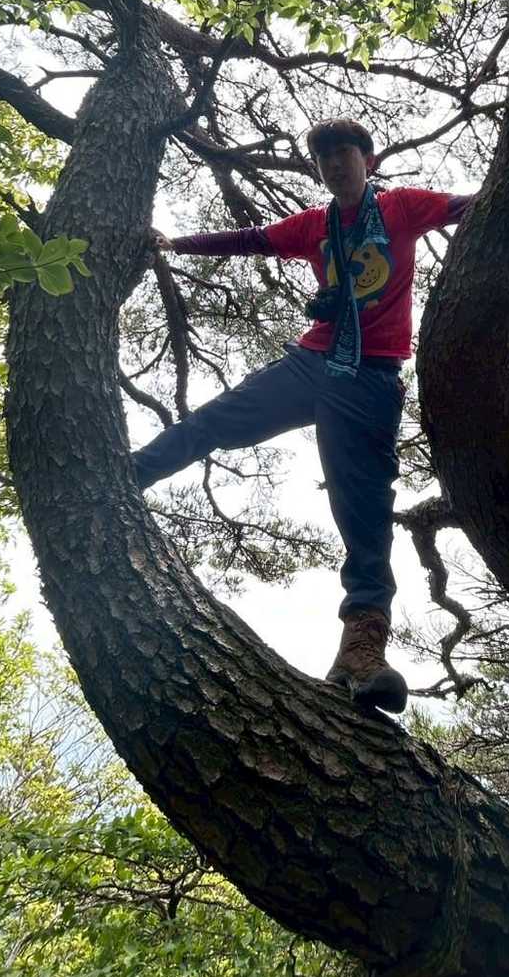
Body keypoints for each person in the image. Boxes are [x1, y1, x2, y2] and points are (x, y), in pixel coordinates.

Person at [134, 118, 473, 714]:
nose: (335, 163)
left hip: (370, 379)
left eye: (345, 152)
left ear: (368, 159)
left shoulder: (402, 208)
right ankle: (128, 473)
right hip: (311, 362)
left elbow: (472, 207)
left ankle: (362, 653)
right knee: (214, 421)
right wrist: (176, 244)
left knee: (362, 512)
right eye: (324, 157)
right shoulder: (315, 225)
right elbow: (249, 240)